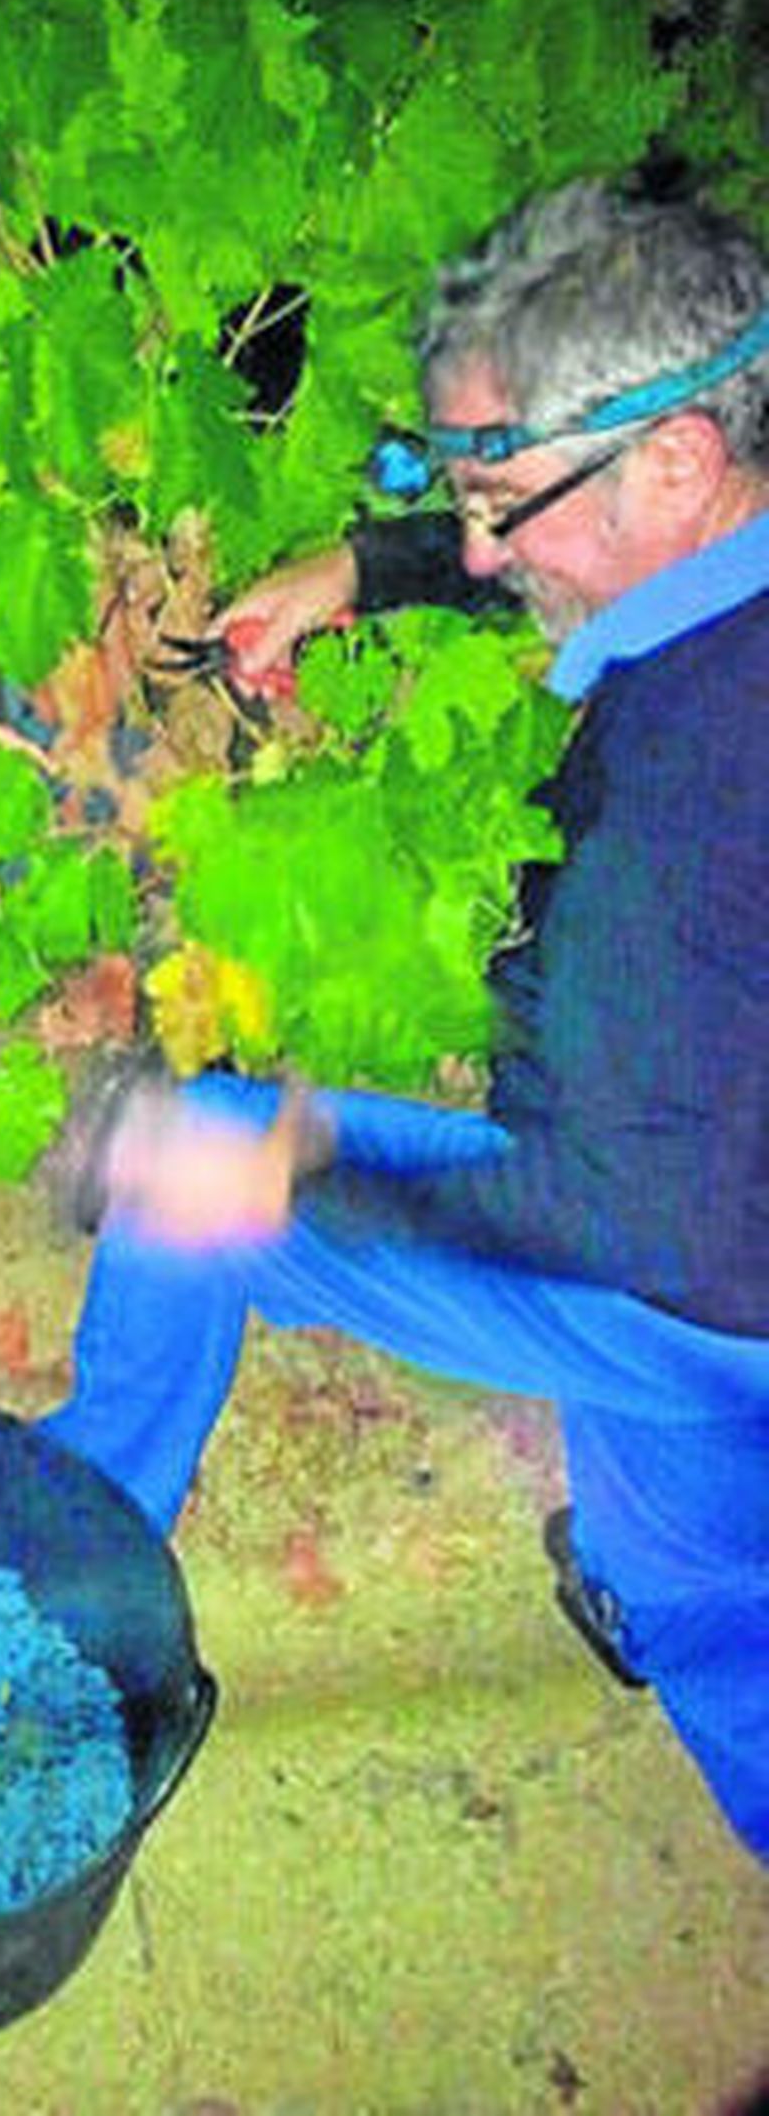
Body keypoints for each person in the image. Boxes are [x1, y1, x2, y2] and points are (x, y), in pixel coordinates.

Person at [38, 174, 769, 1864]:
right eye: (458, 491)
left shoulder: (681, 831)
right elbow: (541, 520)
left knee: (195, 1162)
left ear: (676, 457)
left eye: (502, 501)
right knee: (694, 1571)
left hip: (695, 1279)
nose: (488, 545)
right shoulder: (715, 547)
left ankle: (59, 1563)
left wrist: (259, 1166)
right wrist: (366, 566)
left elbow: (590, 1223)